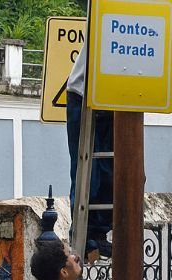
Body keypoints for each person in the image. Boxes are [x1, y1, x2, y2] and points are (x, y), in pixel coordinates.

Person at [67, 41, 113, 258]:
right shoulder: (104, 12)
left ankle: (99, 234)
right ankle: (83, 236)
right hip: (83, 96)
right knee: (87, 174)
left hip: (113, 101)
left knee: (109, 174)